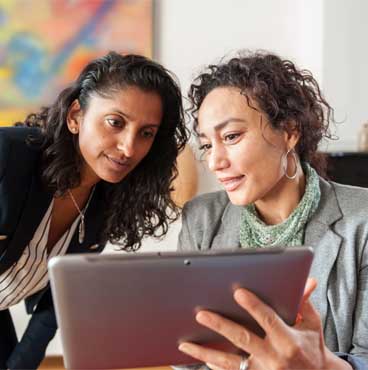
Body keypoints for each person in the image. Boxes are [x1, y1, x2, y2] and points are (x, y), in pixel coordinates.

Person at [176, 51, 368, 370]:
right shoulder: (201, 220)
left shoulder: (362, 222)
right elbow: (187, 358)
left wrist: (320, 366)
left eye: (232, 136)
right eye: (208, 144)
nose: (214, 162)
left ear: (289, 132)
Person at [0, 51, 187, 369]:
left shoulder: (108, 201)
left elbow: (56, 301)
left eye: (146, 133)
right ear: (75, 116)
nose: (129, 147)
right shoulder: (7, 156)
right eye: (115, 122)